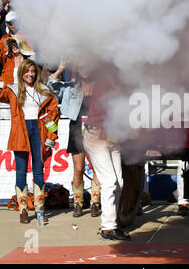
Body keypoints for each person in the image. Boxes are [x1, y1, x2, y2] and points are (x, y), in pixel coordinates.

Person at [0, 58, 59, 224]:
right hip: (20, 132)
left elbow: (53, 116)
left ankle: (40, 210)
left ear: (36, 74)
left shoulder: (44, 91)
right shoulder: (13, 91)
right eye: (27, 71)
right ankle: (23, 211)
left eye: (33, 71)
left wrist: (51, 138)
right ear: (22, 73)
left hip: (39, 131)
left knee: (38, 171)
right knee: (20, 172)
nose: (30, 74)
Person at [48, 60, 101, 218]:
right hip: (77, 127)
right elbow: (52, 87)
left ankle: (95, 203)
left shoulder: (99, 87)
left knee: (98, 167)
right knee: (78, 168)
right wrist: (60, 70)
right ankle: (77, 203)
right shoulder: (71, 86)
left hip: (96, 128)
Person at [83, 70, 130, 241]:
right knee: (110, 181)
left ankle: (112, 222)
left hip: (112, 135)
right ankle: (107, 227)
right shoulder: (106, 80)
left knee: (120, 182)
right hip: (97, 134)